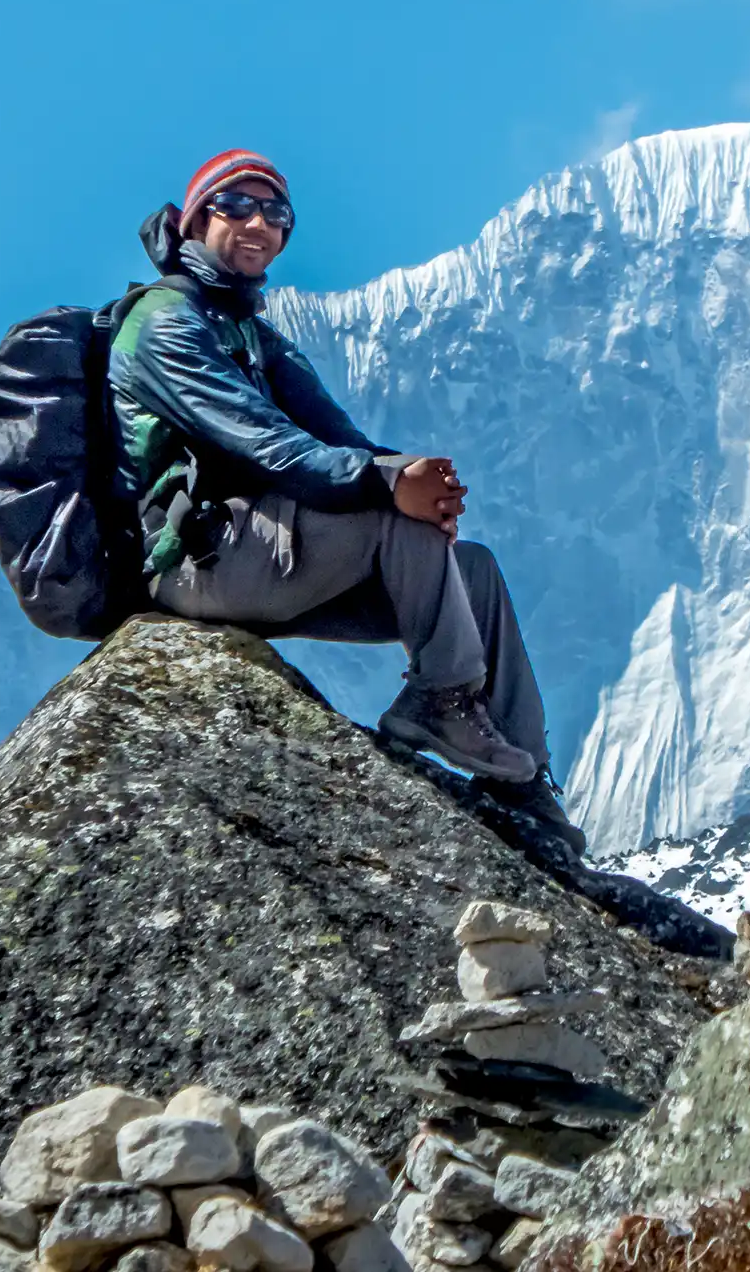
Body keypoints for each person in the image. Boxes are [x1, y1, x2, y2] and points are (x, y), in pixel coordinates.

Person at [108, 148, 585, 857]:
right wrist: (393, 486)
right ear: (193, 221)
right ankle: (441, 702)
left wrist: (419, 480)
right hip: (198, 561)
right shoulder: (165, 324)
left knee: (472, 569)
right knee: (395, 508)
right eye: (235, 205)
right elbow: (269, 446)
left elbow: (342, 441)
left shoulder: (248, 331)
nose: (258, 222)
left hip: (267, 552)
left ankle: (521, 780)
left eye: (275, 212)